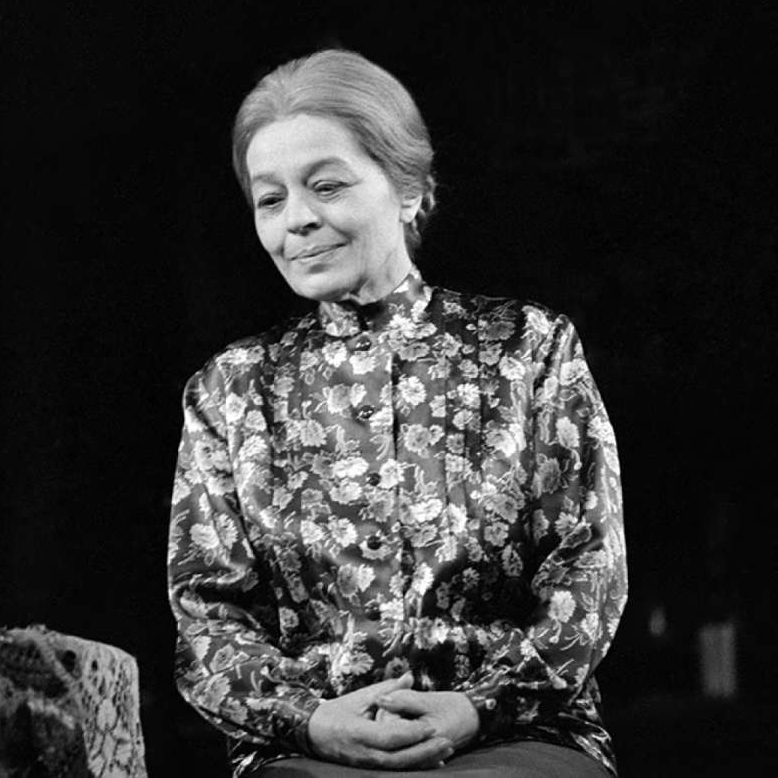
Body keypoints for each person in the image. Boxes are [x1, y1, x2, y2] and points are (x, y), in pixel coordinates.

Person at [166, 48, 627, 777]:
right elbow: (208, 622)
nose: (298, 220)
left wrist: (479, 705)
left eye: (326, 186)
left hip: (515, 731)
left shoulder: (529, 348)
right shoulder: (231, 388)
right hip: (308, 747)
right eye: (270, 199)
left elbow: (588, 572)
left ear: (408, 192)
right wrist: (310, 720)